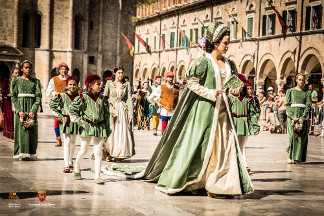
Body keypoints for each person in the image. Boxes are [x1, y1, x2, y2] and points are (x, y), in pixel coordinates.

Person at [135, 21, 253, 197]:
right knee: (203, 146)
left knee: (224, 148)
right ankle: (199, 181)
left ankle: (219, 184)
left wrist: (236, 91)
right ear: (215, 42)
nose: (228, 46)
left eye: (228, 43)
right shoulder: (203, 61)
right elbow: (191, 82)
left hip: (224, 114)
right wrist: (211, 92)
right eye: (225, 43)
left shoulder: (230, 64)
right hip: (205, 111)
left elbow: (232, 87)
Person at [69, 74, 111, 184]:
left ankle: (97, 175)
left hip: (99, 126)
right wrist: (80, 121)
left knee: (98, 151)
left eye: (100, 84)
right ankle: (76, 169)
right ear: (91, 85)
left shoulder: (103, 99)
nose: (100, 86)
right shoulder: (83, 97)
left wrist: (107, 130)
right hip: (87, 126)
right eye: (97, 84)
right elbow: (72, 110)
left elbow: (106, 115)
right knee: (84, 150)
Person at [228, 74, 260, 173]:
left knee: (242, 145)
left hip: (244, 123)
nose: (240, 87)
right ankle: (234, 165)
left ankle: (244, 164)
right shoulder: (230, 98)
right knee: (233, 145)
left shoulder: (248, 99)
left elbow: (253, 114)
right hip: (233, 123)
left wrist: (255, 126)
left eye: (242, 85)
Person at [11, 60, 42, 160]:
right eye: (26, 67)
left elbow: (38, 97)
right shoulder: (16, 81)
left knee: (31, 130)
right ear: (21, 69)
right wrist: (19, 110)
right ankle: (21, 152)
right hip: (21, 108)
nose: (28, 69)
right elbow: (13, 96)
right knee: (21, 130)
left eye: (29, 67)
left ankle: (30, 153)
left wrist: (33, 111)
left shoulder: (36, 82)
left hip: (31, 108)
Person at [103, 66, 134, 162]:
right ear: (114, 73)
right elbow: (105, 97)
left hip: (122, 109)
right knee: (111, 131)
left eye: (122, 73)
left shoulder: (127, 84)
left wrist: (130, 112)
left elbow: (128, 98)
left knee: (121, 132)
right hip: (112, 109)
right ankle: (109, 153)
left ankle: (118, 154)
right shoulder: (109, 83)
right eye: (119, 72)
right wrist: (107, 108)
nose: (121, 74)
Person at [49, 76, 80, 173]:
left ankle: (70, 161)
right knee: (66, 142)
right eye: (70, 84)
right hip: (66, 121)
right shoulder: (62, 96)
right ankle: (66, 164)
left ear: (77, 86)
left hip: (75, 122)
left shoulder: (80, 97)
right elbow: (52, 107)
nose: (72, 86)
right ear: (67, 85)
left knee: (73, 143)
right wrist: (59, 116)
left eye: (74, 84)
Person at [285, 74, 311, 164]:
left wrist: (303, 118)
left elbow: (308, 106)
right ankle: (289, 155)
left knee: (301, 137)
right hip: (292, 116)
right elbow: (287, 104)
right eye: (299, 80)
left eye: (303, 80)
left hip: (302, 116)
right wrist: (293, 116)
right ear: (296, 80)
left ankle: (298, 157)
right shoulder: (290, 91)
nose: (301, 82)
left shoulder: (307, 92)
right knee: (292, 136)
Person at [46, 62, 69, 147]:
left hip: (67, 103)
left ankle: (66, 138)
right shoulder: (54, 79)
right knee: (56, 121)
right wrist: (56, 93)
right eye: (62, 69)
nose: (64, 70)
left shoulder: (69, 79)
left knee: (66, 121)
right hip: (57, 102)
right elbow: (49, 91)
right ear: (59, 70)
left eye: (65, 69)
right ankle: (58, 139)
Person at [2, 68, 20, 140]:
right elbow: (3, 91)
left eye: (18, 73)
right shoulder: (7, 81)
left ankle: (17, 135)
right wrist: (9, 94)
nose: (17, 74)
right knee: (10, 118)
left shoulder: (20, 82)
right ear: (12, 74)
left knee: (17, 118)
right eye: (16, 73)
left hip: (18, 102)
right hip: (9, 102)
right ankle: (12, 136)